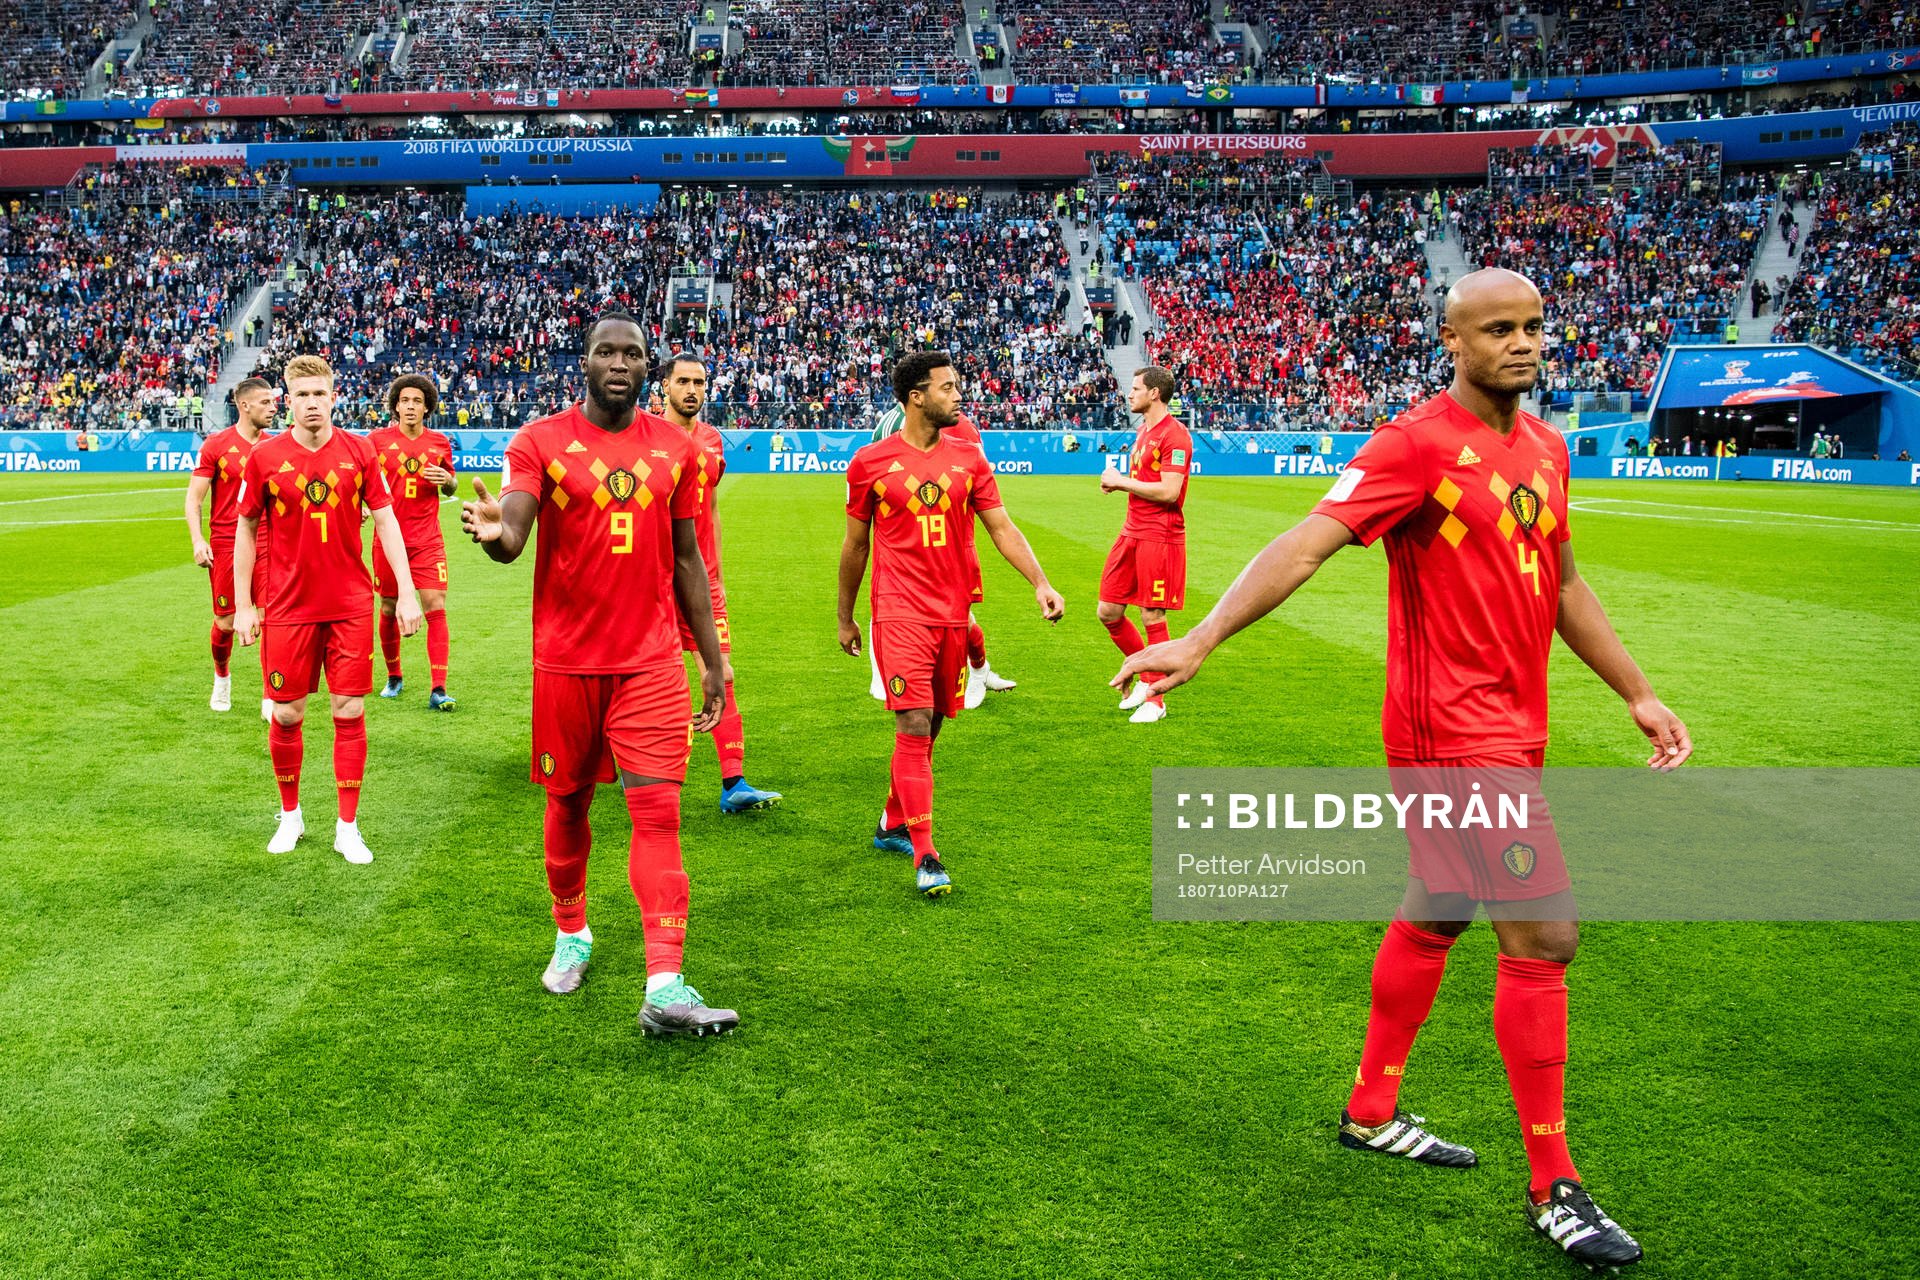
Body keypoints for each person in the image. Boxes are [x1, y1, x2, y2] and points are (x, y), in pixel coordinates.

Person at [1116, 269, 1692, 1271]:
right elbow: (1308, 541)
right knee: (1545, 931)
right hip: (1446, 730)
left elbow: (1559, 577)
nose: (1522, 343)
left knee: (1439, 907)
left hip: (1513, 723)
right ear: (1453, 341)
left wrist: (1637, 691)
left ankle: (1372, 1108)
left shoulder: (1548, 448)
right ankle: (1554, 1180)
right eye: (1498, 329)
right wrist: (1200, 636)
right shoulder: (1414, 443)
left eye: (1533, 326)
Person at [460, 310, 738, 1037]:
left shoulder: (676, 450)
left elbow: (687, 561)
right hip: (567, 663)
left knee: (659, 813)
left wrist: (711, 660)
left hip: (649, 663)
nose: (619, 362)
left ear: (648, 368)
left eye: (633, 354)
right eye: (605, 352)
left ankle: (666, 983)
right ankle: (572, 932)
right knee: (569, 805)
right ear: (583, 363)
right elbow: (514, 533)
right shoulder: (539, 442)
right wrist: (494, 536)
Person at [838, 352, 1065, 897]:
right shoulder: (870, 463)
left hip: (952, 613)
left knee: (935, 723)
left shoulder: (969, 458)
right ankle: (926, 855)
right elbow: (855, 545)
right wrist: (844, 616)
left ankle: (894, 820)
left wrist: (1041, 582)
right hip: (897, 613)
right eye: (948, 387)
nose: (959, 395)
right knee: (914, 725)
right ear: (917, 396)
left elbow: (1002, 527)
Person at [233, 355, 424, 865]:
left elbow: (385, 522)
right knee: (289, 713)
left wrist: (405, 591)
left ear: (333, 396)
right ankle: (291, 816)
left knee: (350, 710)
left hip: (350, 606)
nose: (312, 403)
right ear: (288, 401)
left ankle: (347, 827)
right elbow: (245, 530)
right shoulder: (265, 458)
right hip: (288, 607)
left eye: (320, 394)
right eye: (302, 395)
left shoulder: (359, 452)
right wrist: (247, 604)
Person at [657, 352, 784, 813]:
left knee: (722, 673)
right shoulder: (648, 437)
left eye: (700, 382)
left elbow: (709, 508)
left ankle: (734, 784)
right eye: (683, 381)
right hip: (652, 576)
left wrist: (719, 574)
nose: (692, 390)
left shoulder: (711, 441)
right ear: (665, 388)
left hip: (702, 578)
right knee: (650, 678)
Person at [869, 402, 1019, 708]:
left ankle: (977, 670)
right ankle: (972, 671)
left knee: (959, 616)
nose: (955, 395)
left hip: (951, 543)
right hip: (907, 548)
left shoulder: (961, 426)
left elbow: (980, 486)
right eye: (946, 386)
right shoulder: (889, 424)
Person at [1098, 366, 1193, 725]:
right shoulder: (1143, 431)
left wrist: (1122, 482)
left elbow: (1169, 492)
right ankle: (1147, 675)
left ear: (1155, 393)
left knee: (1152, 614)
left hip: (1160, 535)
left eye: (1136, 388)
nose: (1130, 393)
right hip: (1132, 531)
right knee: (1109, 611)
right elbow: (1147, 482)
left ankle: (1156, 698)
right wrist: (1122, 484)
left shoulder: (1175, 436)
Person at [367, 373, 458, 710]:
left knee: (435, 605)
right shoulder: (375, 440)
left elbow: (452, 486)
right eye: (404, 400)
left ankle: (438, 688)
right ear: (395, 405)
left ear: (427, 407)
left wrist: (447, 480)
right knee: (389, 607)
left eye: (417, 401)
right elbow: (360, 481)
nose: (410, 406)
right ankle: (394, 676)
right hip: (388, 541)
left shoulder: (439, 442)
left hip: (427, 539)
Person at [186, 376, 275, 716]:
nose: (272, 407)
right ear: (244, 405)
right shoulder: (217, 445)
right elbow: (194, 499)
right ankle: (222, 677)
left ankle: (270, 694)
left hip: (269, 542)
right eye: (265, 402)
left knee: (270, 619)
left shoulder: (273, 447)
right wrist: (197, 540)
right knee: (225, 621)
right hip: (226, 542)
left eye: (272, 402)